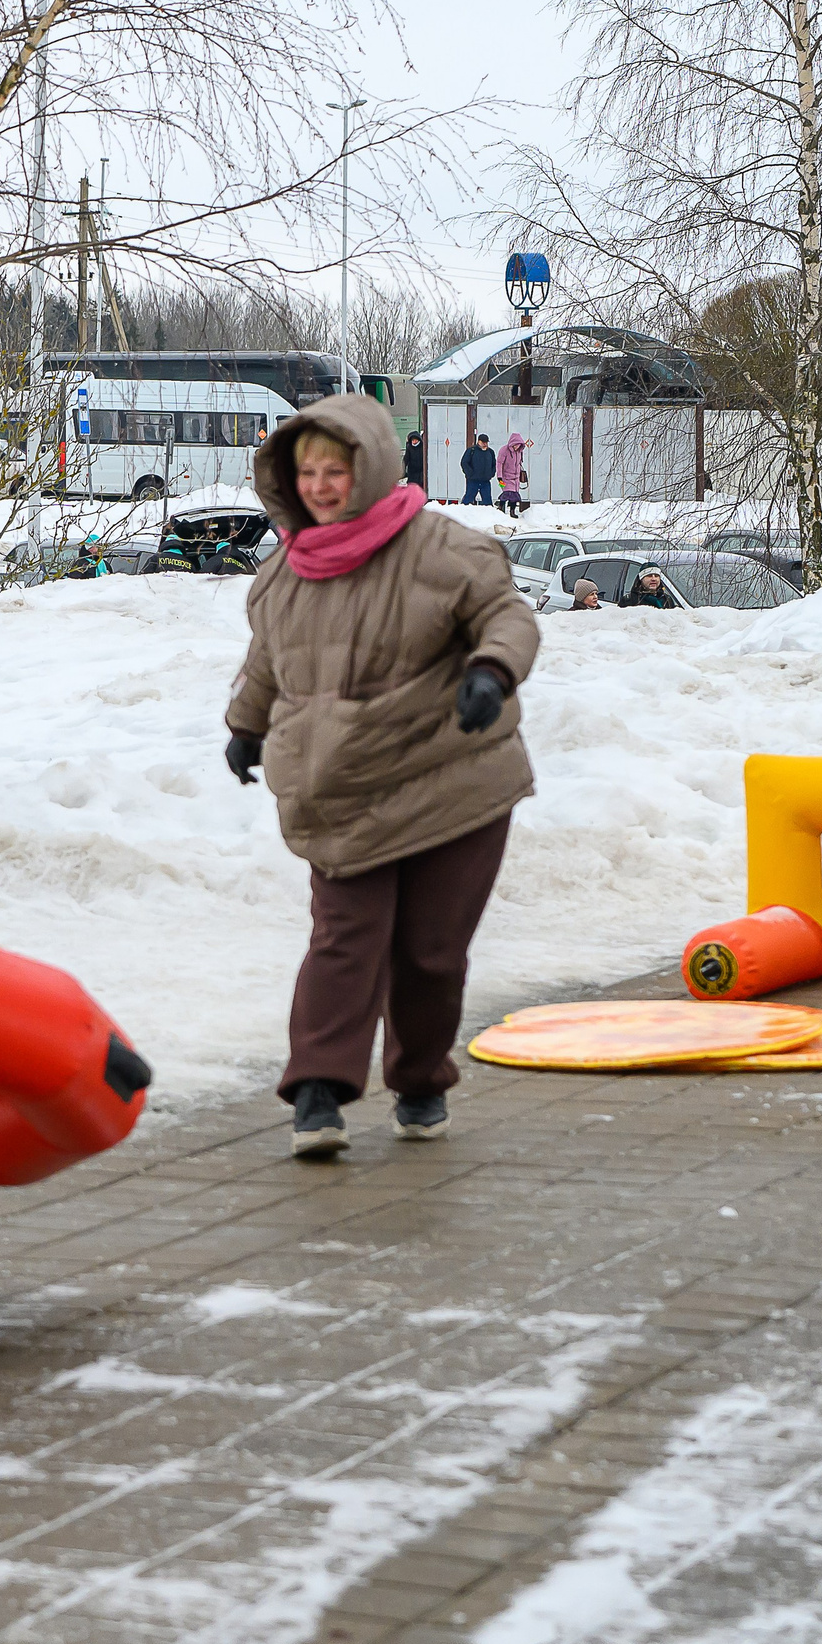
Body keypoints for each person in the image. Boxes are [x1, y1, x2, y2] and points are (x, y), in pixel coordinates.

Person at [223, 394, 537, 1157]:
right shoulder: (284, 575)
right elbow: (269, 657)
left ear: (370, 466)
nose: (322, 486)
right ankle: (318, 1091)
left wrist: (492, 672)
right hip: (340, 784)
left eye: (337, 469)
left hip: (450, 776)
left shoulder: (443, 549)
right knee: (345, 938)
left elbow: (508, 615)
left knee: (429, 951)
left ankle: (420, 1079)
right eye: (308, 473)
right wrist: (245, 723)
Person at [496, 432, 530, 514]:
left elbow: (519, 463)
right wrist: (499, 476)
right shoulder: (504, 450)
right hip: (503, 477)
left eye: (518, 445)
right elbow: (499, 463)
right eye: (515, 444)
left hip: (516, 478)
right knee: (506, 493)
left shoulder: (519, 452)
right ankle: (501, 507)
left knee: (515, 495)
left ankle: (512, 511)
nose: (516, 446)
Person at [460, 434, 496, 505]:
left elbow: (494, 464)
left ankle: (489, 514)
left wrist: (491, 474)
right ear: (478, 441)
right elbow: (464, 463)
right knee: (468, 499)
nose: (485, 444)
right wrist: (470, 473)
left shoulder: (490, 452)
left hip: (485, 480)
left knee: (487, 501)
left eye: (486, 442)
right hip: (473, 480)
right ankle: (463, 513)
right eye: (483, 442)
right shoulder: (471, 451)